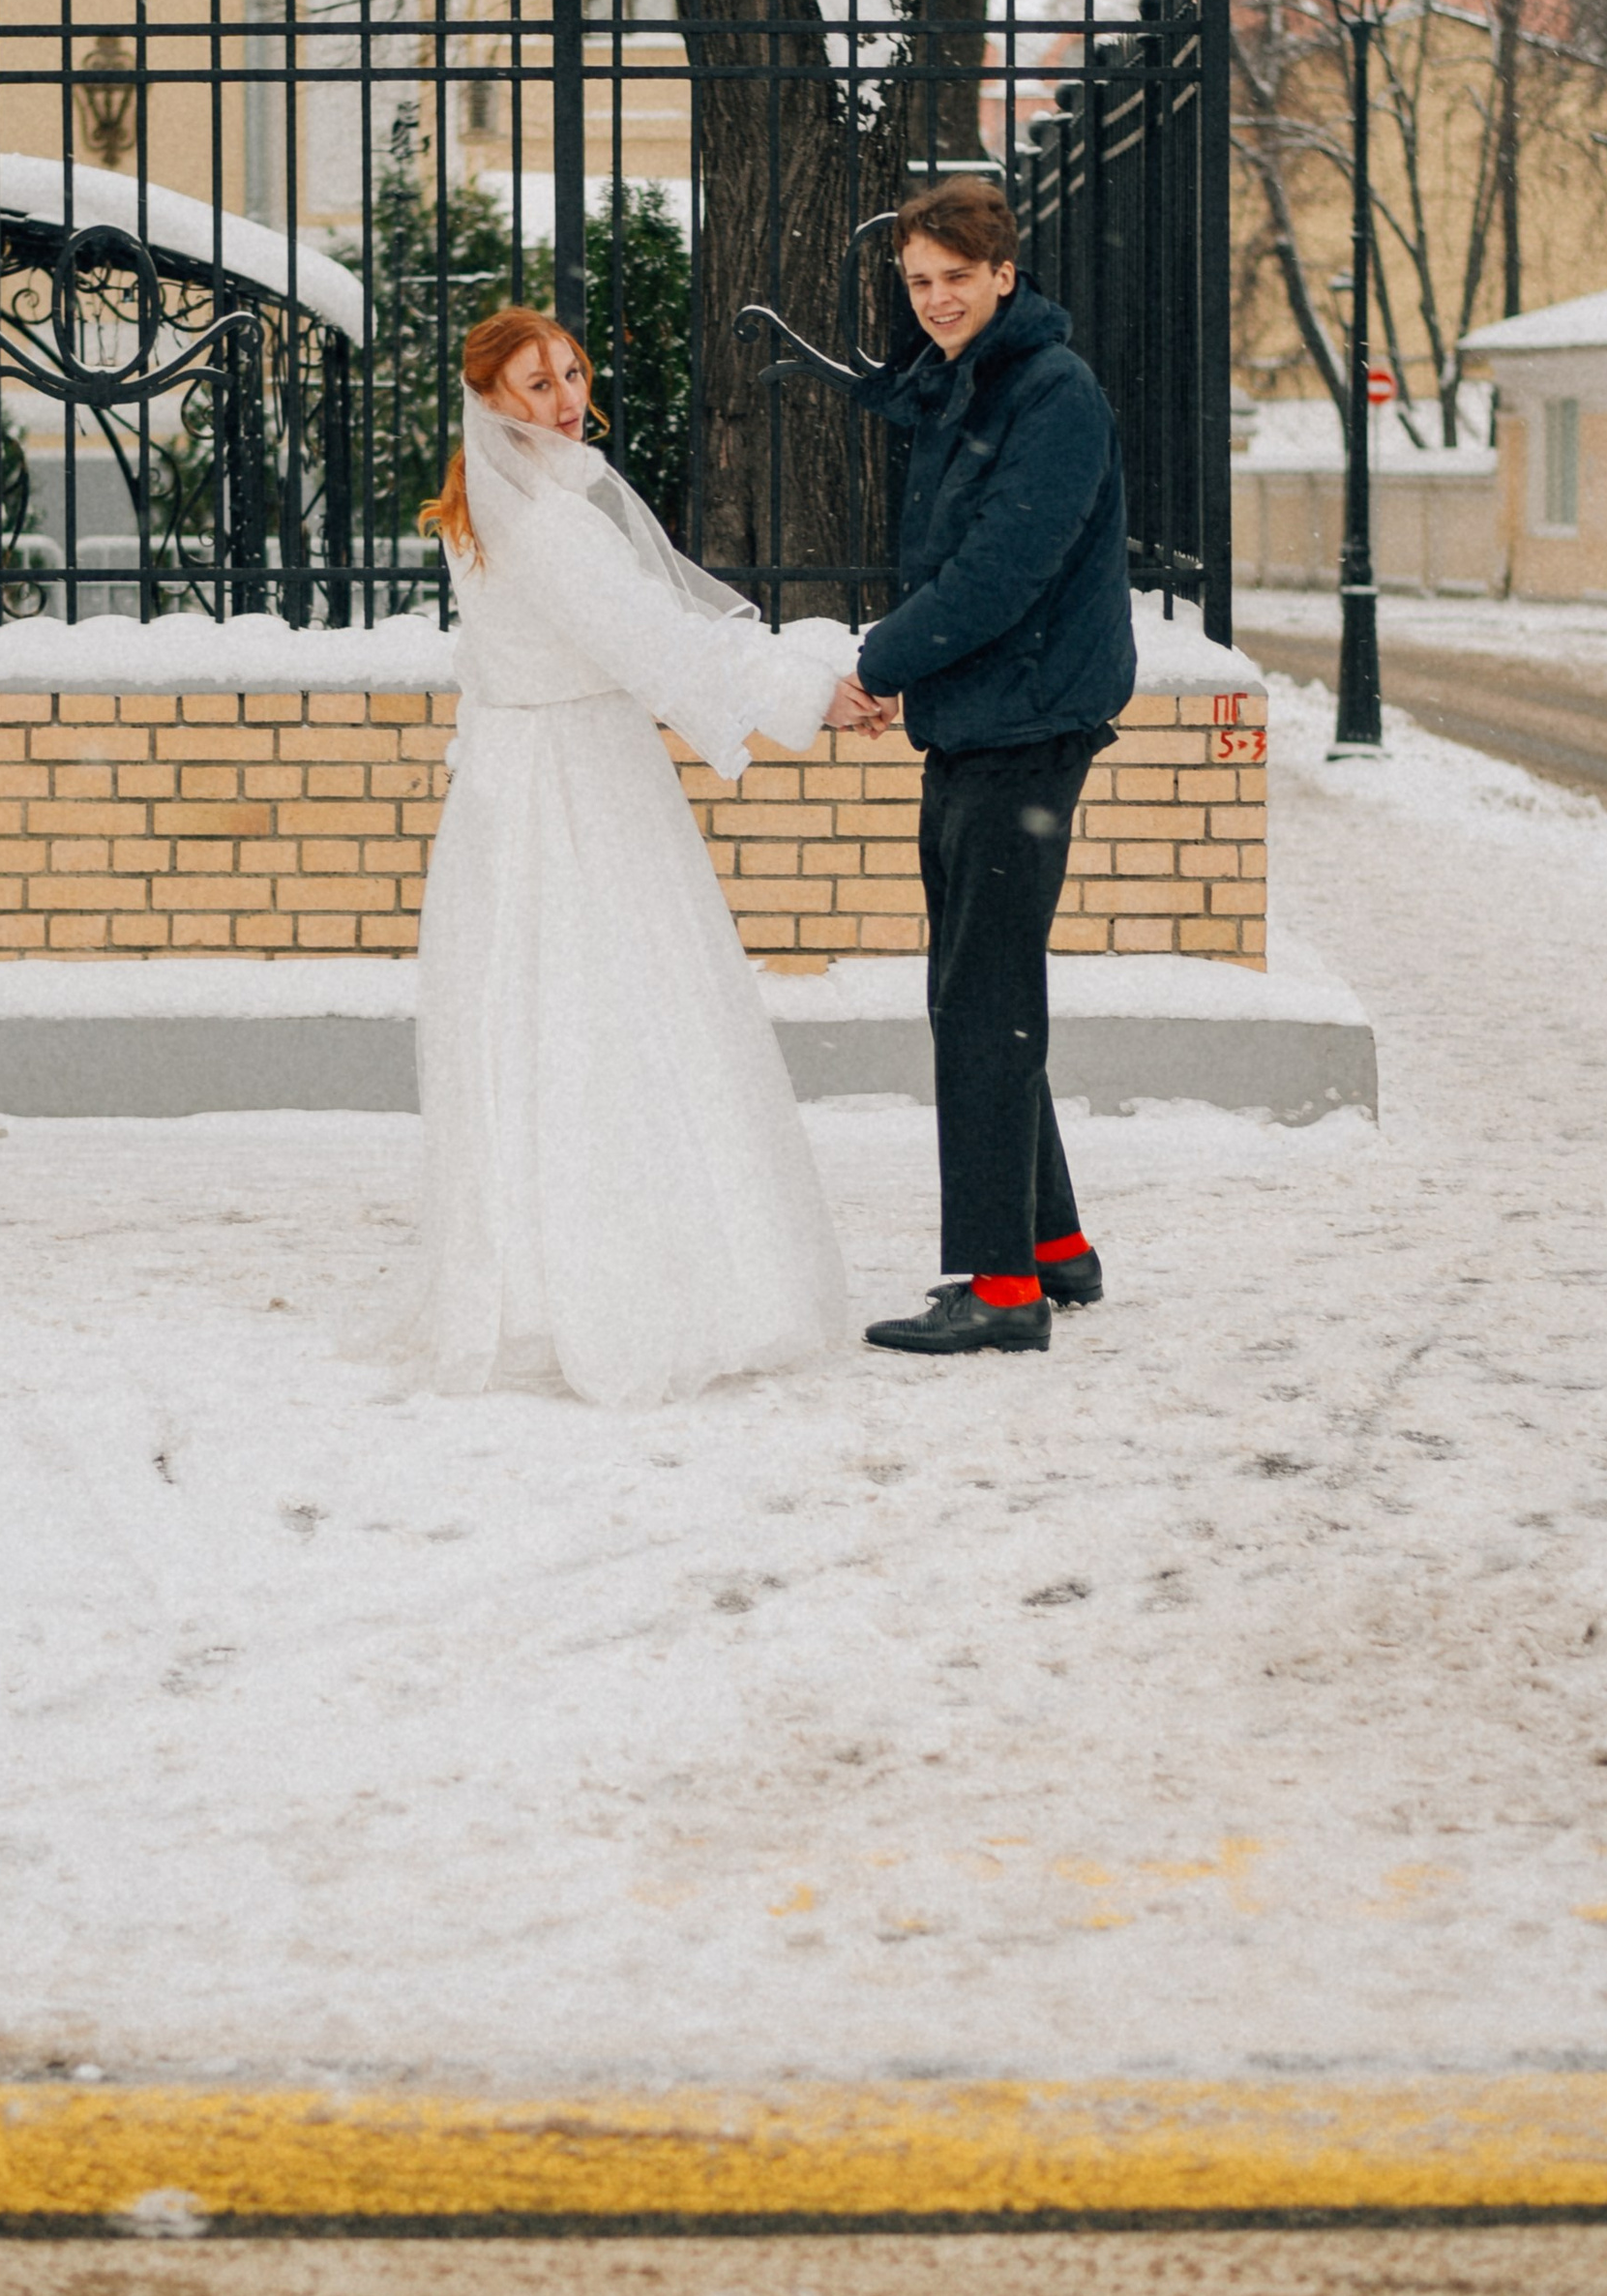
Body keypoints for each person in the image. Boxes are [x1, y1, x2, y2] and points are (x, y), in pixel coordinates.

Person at [410, 306, 877, 1407]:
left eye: (572, 371)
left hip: (512, 788)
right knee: (613, 1017)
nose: (566, 398)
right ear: (489, 399)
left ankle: (530, 1279)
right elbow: (661, 644)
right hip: (578, 789)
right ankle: (627, 1286)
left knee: (536, 1024)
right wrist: (809, 691)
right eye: (535, 383)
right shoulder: (555, 526)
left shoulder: (479, 511)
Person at [850, 179, 1135, 1357]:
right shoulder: (972, 382)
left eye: (954, 276)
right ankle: (1053, 1247)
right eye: (917, 281)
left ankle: (1000, 1289)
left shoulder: (1052, 392)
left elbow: (1001, 567)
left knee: (981, 1001)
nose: (935, 299)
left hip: (1024, 720)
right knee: (983, 989)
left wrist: (880, 659)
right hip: (982, 717)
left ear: (1004, 271)